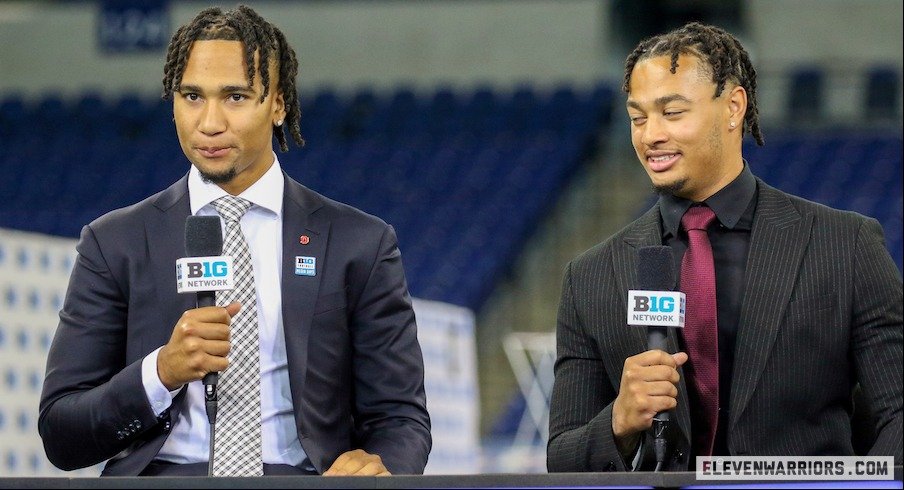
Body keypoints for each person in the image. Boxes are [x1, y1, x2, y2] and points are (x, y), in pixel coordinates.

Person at [39, 5, 431, 477]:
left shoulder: (360, 243)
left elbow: (400, 417)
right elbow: (61, 433)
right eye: (191, 96)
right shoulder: (113, 242)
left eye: (236, 97)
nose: (209, 122)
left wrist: (380, 466)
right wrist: (160, 372)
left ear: (279, 104)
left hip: (303, 482)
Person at [547, 22, 902, 472]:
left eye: (672, 113)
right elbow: (561, 456)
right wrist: (617, 422)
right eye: (638, 117)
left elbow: (899, 413)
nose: (650, 134)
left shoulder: (845, 245)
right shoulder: (591, 275)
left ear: (733, 107)